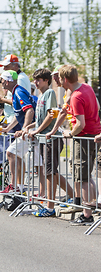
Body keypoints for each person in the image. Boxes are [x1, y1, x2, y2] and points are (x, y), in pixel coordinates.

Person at [47, 65, 101, 225]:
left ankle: (87, 215)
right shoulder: (87, 87)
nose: (58, 82)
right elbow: (97, 107)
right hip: (94, 135)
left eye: (59, 78)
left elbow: (80, 124)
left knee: (83, 176)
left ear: (64, 79)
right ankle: (90, 207)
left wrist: (69, 133)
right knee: (89, 175)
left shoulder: (76, 96)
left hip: (83, 136)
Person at [27, 68, 73, 216]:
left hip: (50, 138)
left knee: (49, 173)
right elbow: (40, 119)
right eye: (35, 79)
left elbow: (51, 116)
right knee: (52, 172)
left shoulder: (50, 93)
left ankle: (50, 207)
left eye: (38, 80)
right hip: (43, 137)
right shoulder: (40, 96)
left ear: (46, 80)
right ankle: (74, 197)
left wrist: (36, 130)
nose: (35, 82)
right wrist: (30, 127)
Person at [0, 70, 37, 195]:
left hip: (32, 129)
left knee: (11, 152)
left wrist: (24, 128)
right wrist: (8, 128)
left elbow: (29, 111)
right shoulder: (15, 92)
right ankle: (19, 187)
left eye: (1, 80)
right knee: (18, 156)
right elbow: (18, 115)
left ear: (7, 81)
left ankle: (14, 186)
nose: (1, 83)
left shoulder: (18, 91)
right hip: (31, 129)